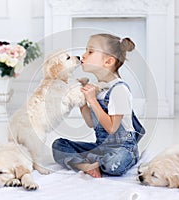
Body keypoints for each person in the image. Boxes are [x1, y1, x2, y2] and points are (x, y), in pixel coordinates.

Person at [52, 33, 145, 178]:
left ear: (108, 61)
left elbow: (112, 128)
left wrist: (93, 101)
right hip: (102, 148)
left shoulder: (119, 89)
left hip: (123, 149)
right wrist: (82, 99)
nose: (83, 55)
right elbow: (91, 123)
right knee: (58, 145)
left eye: (90, 51)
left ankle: (89, 161)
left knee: (115, 161)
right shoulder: (98, 89)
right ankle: (88, 165)